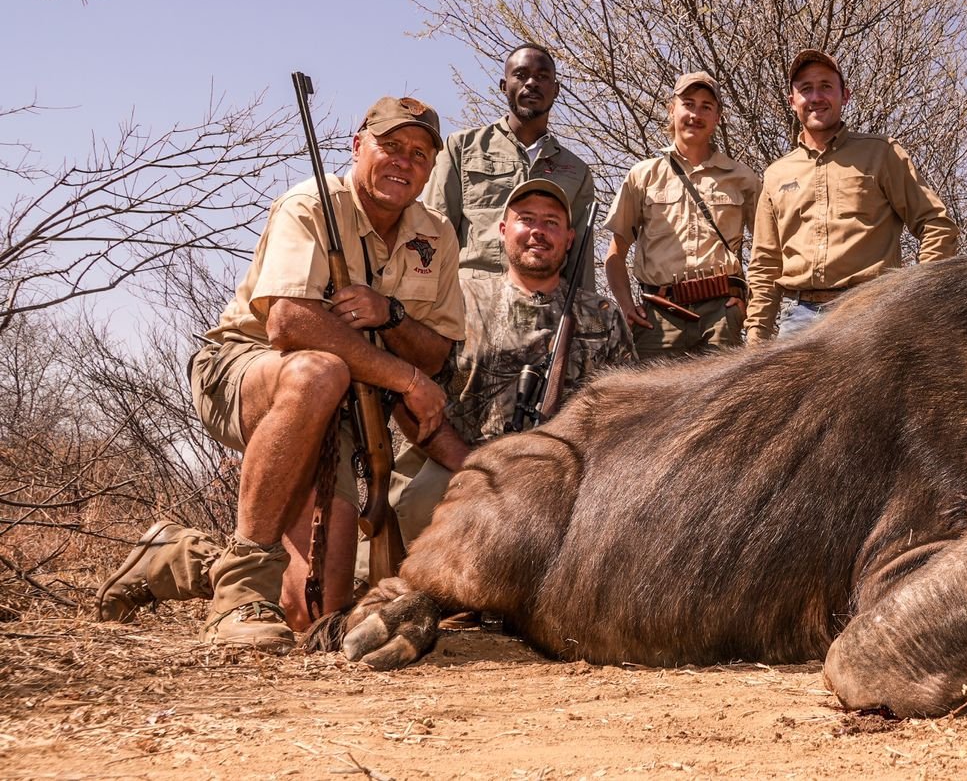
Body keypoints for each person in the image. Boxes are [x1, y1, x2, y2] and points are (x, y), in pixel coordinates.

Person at [94, 96, 465, 651]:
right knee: (318, 371)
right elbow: (289, 322)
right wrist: (406, 379)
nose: (403, 161)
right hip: (247, 371)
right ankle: (238, 591)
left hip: (346, 408)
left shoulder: (436, 234)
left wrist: (390, 316)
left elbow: (436, 352)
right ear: (358, 145)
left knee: (311, 613)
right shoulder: (310, 202)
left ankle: (176, 555)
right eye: (389, 145)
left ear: (432, 167)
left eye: (418, 153)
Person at [388, 176, 635, 542]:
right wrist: (470, 464)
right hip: (464, 462)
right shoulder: (457, 298)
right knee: (420, 501)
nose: (538, 231)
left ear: (569, 239)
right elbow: (409, 388)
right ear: (503, 230)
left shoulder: (603, 315)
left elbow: (626, 416)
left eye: (552, 222)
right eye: (527, 219)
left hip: (568, 474)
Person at [744, 49, 959, 342]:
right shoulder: (776, 174)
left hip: (869, 311)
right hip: (797, 319)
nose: (816, 96)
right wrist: (756, 334)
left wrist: (917, 299)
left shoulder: (882, 153)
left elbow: (936, 224)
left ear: (845, 95)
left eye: (826, 86)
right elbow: (766, 262)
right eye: (805, 89)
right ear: (792, 101)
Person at [603, 72, 760, 359]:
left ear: (718, 118)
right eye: (688, 103)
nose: (695, 114)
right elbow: (615, 253)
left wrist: (751, 307)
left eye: (706, 106)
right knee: (651, 403)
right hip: (658, 317)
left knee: (723, 403)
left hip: (722, 315)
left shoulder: (743, 178)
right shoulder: (643, 175)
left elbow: (767, 250)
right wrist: (626, 306)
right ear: (671, 109)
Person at [426, 43, 596, 286]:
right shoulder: (462, 147)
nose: (531, 83)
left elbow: (581, 260)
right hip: (470, 301)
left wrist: (583, 316)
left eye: (542, 77)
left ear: (556, 89)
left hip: (546, 309)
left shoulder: (576, 170)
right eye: (521, 74)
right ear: (504, 86)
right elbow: (434, 232)